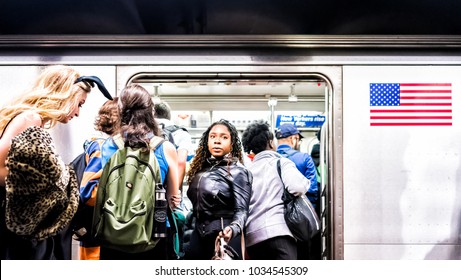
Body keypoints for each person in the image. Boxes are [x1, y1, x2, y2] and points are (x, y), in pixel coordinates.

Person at [0, 65, 111, 260]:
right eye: (80, 104)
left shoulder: (36, 122)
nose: (77, 113)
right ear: (65, 95)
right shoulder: (30, 118)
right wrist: (46, 188)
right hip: (16, 228)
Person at [90, 84, 181, 260]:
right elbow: (172, 200)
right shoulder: (166, 148)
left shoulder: (107, 146)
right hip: (154, 234)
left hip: (112, 232)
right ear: (150, 111)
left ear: (121, 111)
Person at [241, 120, 310, 260]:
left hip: (253, 238)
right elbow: (298, 187)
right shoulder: (281, 162)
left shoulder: (246, 172)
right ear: (271, 142)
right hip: (279, 233)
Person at [185, 119, 252, 260]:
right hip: (198, 233)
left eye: (224, 137)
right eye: (213, 136)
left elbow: (242, 210)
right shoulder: (201, 169)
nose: (217, 141)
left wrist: (233, 228)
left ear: (232, 143)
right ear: (207, 141)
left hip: (224, 235)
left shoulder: (237, 171)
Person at [74, 97, 120, 260]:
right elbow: (90, 193)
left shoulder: (100, 144)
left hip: (95, 230)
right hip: (96, 232)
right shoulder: (103, 147)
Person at [275, 123, 319, 260]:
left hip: (275, 220)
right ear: (293, 138)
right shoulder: (304, 158)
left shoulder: (270, 159)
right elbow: (312, 189)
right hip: (300, 221)